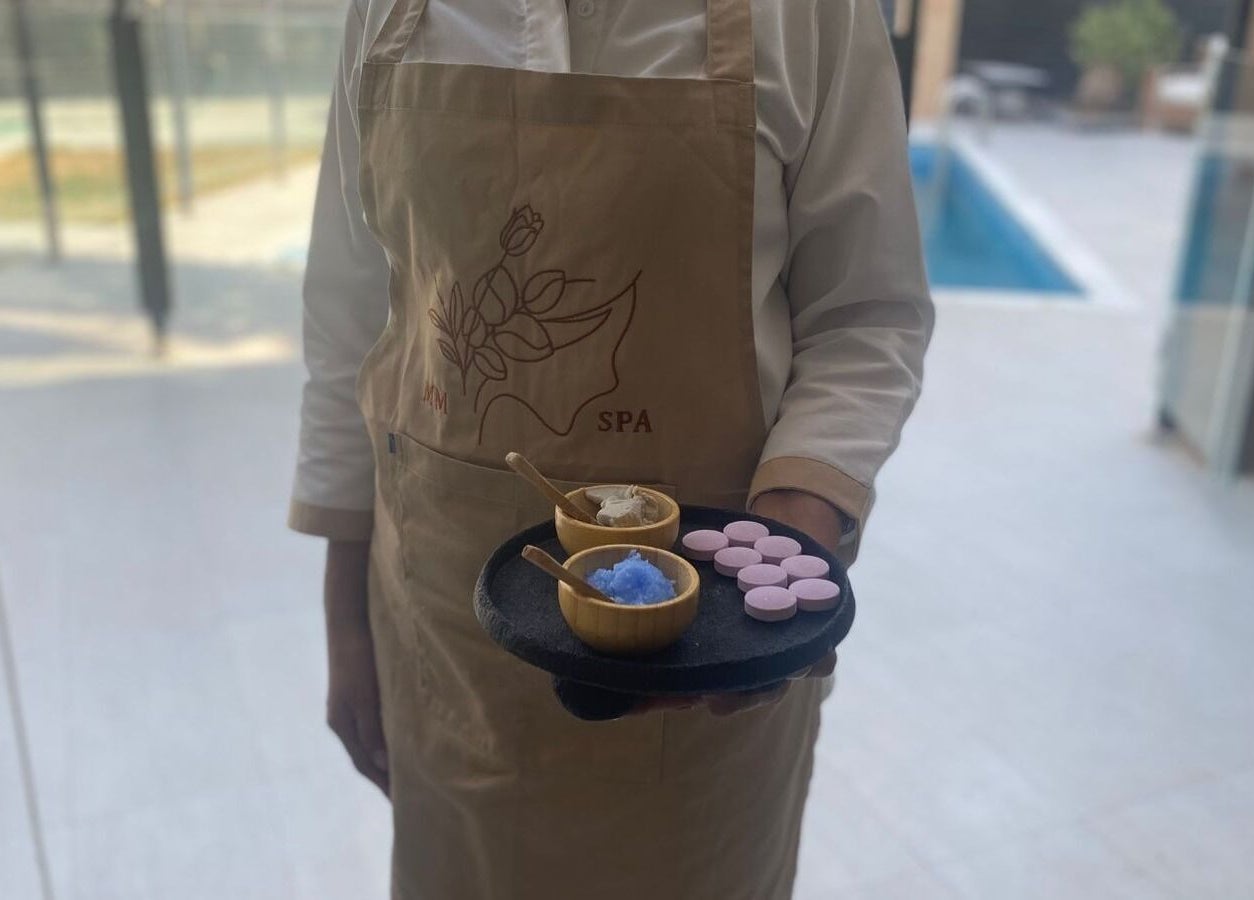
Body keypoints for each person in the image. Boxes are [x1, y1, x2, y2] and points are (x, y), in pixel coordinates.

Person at [289, 0, 933, 896]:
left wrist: (783, 548)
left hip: (702, 673)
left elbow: (866, 314)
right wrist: (343, 623)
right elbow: (350, 314)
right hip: (443, 644)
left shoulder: (809, 16)